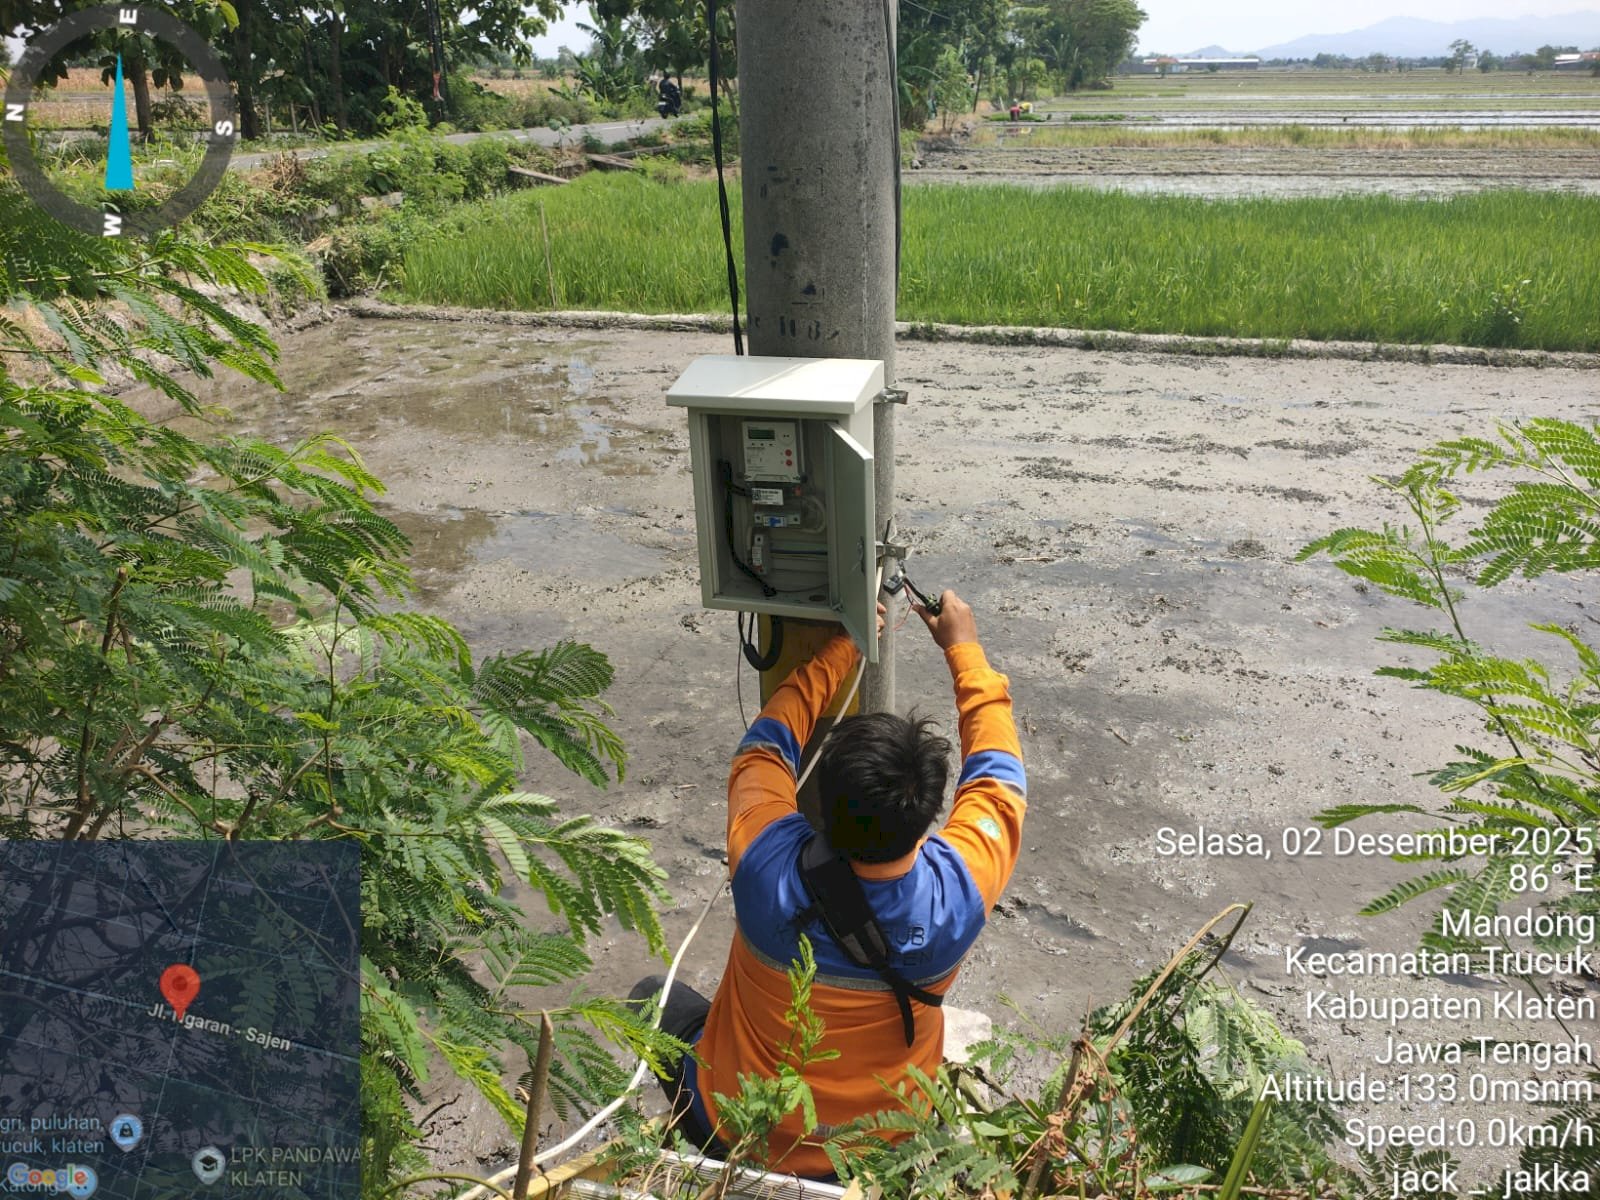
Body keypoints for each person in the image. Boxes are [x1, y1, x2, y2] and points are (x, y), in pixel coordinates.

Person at [632, 590, 1026, 1178]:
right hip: (875, 1148)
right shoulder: (957, 896)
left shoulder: (764, 863)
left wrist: (843, 647)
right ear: (928, 819)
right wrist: (963, 648)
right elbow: (998, 778)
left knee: (646, 996)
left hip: (737, 1128)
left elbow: (766, 744)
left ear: (822, 805)